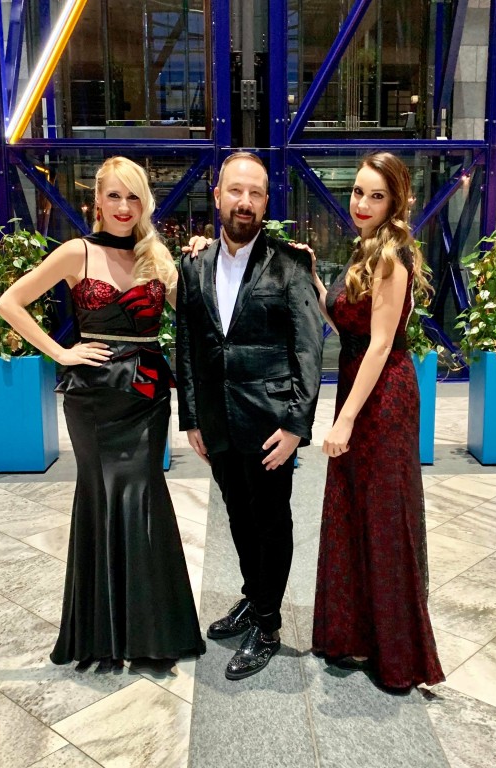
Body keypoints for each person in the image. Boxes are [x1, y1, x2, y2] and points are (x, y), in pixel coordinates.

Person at [0, 156, 205, 670]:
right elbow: (10, 303)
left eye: (133, 196)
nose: (124, 206)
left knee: (144, 495)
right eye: (114, 195)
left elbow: (199, 314)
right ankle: (104, 634)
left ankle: (151, 631)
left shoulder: (158, 256)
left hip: (146, 394)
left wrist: (201, 261)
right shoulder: (76, 252)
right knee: (100, 496)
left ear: (144, 203)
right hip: (93, 396)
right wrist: (61, 352)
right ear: (97, 201)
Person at [176, 152, 323, 680]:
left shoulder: (290, 265)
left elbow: (308, 349)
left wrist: (296, 425)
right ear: (217, 196)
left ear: (266, 201)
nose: (245, 201)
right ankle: (254, 596)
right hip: (218, 423)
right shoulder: (192, 264)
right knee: (238, 517)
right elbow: (188, 345)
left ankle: (268, 624)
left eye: (255, 193)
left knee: (271, 522)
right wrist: (191, 417)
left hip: (270, 426)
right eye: (235, 191)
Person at [310, 152, 444, 690]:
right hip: (360, 383)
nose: (362, 204)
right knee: (355, 508)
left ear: (396, 202)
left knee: (384, 513)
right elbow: (348, 325)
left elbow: (382, 343)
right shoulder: (364, 249)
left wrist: (344, 420)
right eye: (358, 192)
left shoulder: (390, 256)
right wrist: (315, 283)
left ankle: (397, 656)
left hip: (384, 395)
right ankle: (356, 635)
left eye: (376, 196)